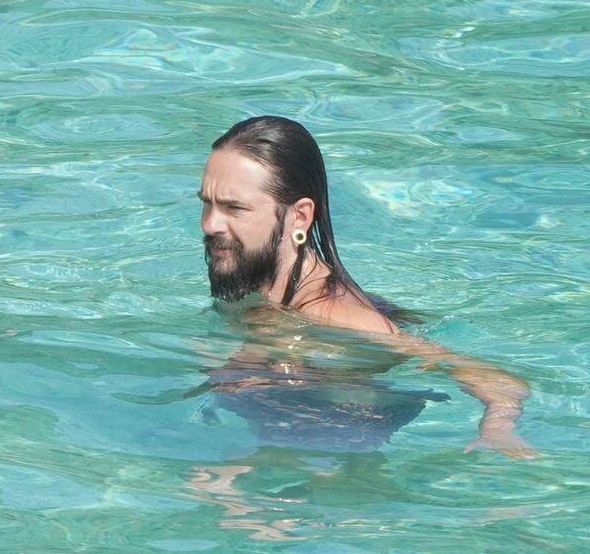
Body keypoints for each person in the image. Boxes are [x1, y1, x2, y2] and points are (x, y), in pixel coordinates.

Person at [197, 115, 534, 457]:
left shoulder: (335, 316)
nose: (210, 224)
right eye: (206, 203)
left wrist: (497, 430)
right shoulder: (268, 287)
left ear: (299, 216)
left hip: (340, 439)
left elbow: (500, 383)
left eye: (234, 207)